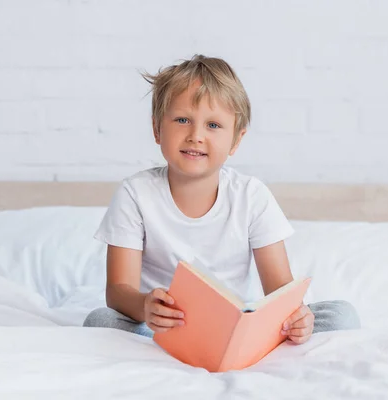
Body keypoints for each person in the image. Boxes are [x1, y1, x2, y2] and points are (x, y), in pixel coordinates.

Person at [84, 54, 360, 344]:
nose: (196, 136)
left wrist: (297, 318)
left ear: (236, 140)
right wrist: (145, 307)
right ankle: (169, 342)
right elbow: (117, 290)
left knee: (343, 315)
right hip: (160, 326)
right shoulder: (135, 194)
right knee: (99, 320)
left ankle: (249, 342)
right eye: (182, 120)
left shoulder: (251, 196)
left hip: (235, 326)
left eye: (213, 125)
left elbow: (280, 290)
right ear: (157, 129)